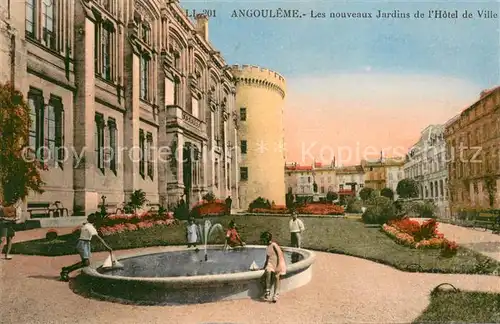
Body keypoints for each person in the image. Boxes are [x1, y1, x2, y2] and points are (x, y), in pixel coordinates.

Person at [60, 213, 112, 281]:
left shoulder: (87, 225)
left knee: (86, 263)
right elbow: (98, 238)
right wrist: (107, 247)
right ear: (94, 221)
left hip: (84, 243)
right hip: (83, 244)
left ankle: (67, 270)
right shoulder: (90, 227)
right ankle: (66, 270)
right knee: (86, 262)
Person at [260, 231, 286, 302]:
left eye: (263, 240)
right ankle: (267, 291)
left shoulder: (274, 244)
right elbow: (267, 258)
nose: (262, 241)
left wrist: (278, 266)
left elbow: (279, 254)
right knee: (268, 271)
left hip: (277, 263)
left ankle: (276, 295)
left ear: (266, 239)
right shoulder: (267, 247)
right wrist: (264, 266)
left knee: (276, 277)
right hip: (271, 264)